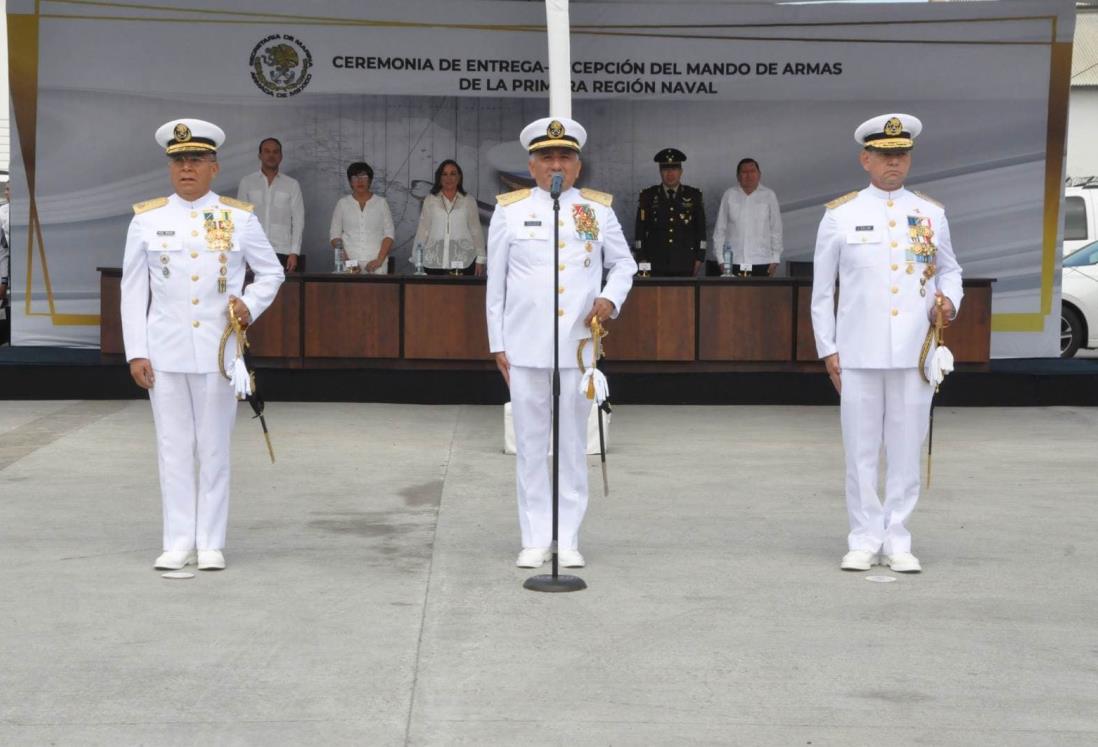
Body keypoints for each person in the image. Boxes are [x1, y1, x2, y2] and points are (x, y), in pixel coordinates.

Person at [120, 119, 285, 571]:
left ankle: (210, 541)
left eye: (195, 160)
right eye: (178, 161)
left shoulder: (238, 217)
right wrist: (136, 350)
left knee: (213, 447)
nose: (186, 169)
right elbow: (133, 291)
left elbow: (272, 272)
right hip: (165, 350)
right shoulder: (147, 219)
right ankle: (177, 541)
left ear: (214, 167)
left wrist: (249, 304)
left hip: (218, 352)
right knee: (172, 448)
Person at [811, 113, 963, 574]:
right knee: (859, 450)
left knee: (904, 448)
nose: (894, 162)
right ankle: (862, 537)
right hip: (858, 351)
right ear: (865, 159)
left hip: (913, 352)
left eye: (901, 155)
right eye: (884, 155)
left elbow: (950, 270)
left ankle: (897, 537)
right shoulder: (841, 214)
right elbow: (822, 290)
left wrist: (949, 304)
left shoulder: (931, 213)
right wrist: (828, 349)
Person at [486, 117, 637, 569]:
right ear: (531, 166)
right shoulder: (510, 210)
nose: (556, 164)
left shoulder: (596, 210)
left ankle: (567, 536)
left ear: (577, 166)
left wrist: (610, 299)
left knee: (573, 445)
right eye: (547, 157)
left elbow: (624, 264)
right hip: (526, 344)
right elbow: (496, 285)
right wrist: (497, 343)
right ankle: (534, 537)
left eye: (565, 157)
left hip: (577, 346)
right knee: (531, 445)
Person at [633, 148, 706, 276]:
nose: (670, 173)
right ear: (660, 172)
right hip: (654, 262)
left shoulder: (694, 196)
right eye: (666, 169)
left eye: (674, 169)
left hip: (685, 261)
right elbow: (640, 231)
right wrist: (641, 257)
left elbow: (701, 230)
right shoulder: (648, 196)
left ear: (681, 172)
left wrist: (700, 257)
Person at [236, 137, 305, 272]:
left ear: (281, 156)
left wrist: (294, 252)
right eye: (267, 151)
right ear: (260, 156)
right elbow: (240, 219)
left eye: (275, 152)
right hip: (254, 251)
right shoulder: (247, 182)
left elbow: (298, 220)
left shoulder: (292, 185)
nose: (271, 155)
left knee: (283, 293)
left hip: (283, 252)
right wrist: (243, 252)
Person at [710, 158, 784, 277]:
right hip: (733, 262)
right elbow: (720, 230)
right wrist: (720, 259)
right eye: (744, 172)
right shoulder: (729, 195)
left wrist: (775, 258)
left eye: (752, 171)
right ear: (738, 176)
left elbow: (776, 229)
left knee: (760, 295)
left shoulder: (769, 195)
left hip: (762, 261)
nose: (749, 175)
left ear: (759, 174)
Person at [412, 160, 486, 276]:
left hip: (464, 260)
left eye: (453, 173)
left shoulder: (468, 200)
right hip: (433, 262)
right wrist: (417, 259)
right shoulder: (430, 200)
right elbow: (423, 230)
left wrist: (480, 258)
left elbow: (475, 230)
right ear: (439, 178)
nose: (449, 178)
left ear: (459, 177)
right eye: (444, 174)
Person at [329, 162, 394, 274]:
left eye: (364, 177)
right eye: (355, 177)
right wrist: (348, 263)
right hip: (348, 264)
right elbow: (335, 236)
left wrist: (379, 261)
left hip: (377, 264)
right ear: (350, 182)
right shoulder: (342, 204)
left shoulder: (381, 203)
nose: (360, 181)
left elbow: (389, 235)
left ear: (370, 180)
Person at [0, 184, 9, 306]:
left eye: (9, 189)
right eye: (6, 189)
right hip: (5, 251)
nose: (6, 192)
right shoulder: (2, 210)